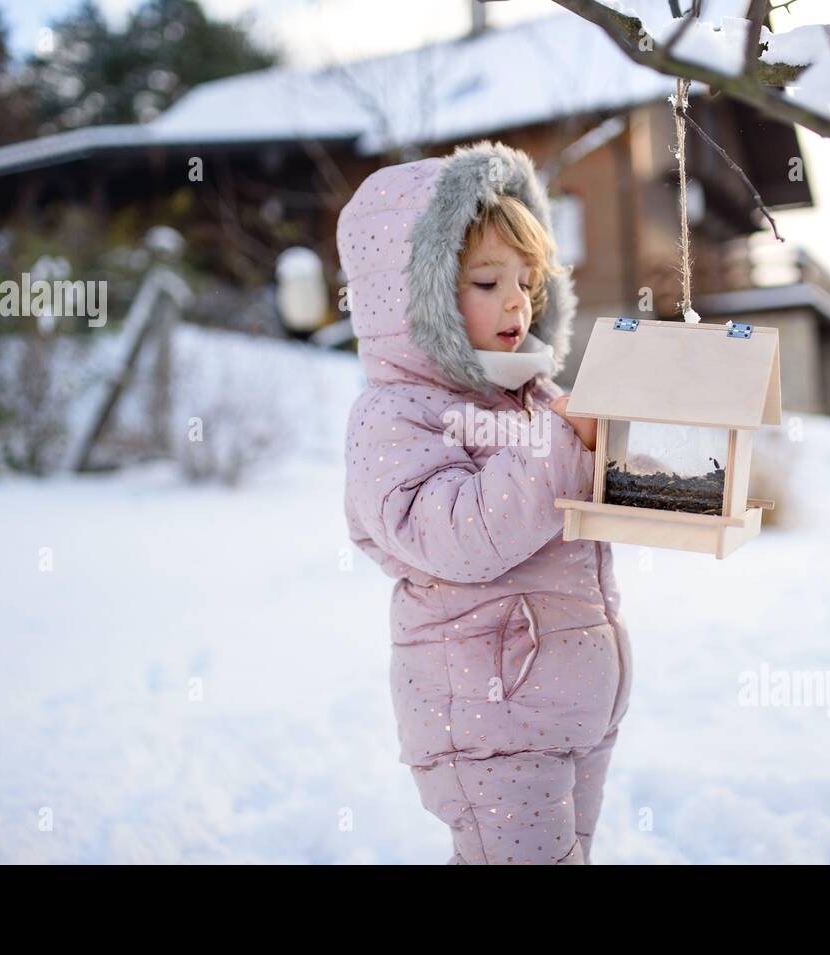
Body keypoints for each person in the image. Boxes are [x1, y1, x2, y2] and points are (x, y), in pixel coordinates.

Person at [339, 139, 633, 864]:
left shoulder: (538, 397)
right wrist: (566, 447)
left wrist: (651, 467)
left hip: (575, 702)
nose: (516, 301)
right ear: (418, 296)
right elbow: (458, 533)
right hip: (488, 716)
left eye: (528, 281)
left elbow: (580, 490)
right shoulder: (396, 416)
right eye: (485, 281)